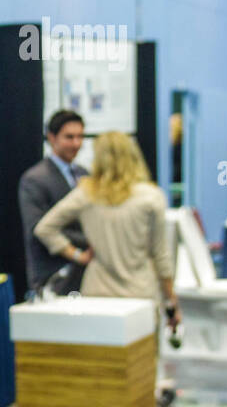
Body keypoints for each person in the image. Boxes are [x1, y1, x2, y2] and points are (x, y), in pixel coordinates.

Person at [33, 131, 181, 328]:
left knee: (100, 355)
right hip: (139, 292)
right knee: (140, 355)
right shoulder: (151, 197)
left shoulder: (86, 194)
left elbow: (44, 228)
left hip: (97, 291)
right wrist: (171, 301)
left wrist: (77, 255)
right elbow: (161, 256)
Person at [19, 110, 90, 296]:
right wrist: (79, 253)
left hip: (85, 276)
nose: (76, 143)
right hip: (55, 275)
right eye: (69, 137)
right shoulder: (35, 179)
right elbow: (37, 228)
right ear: (52, 138)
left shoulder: (84, 174)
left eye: (80, 137)